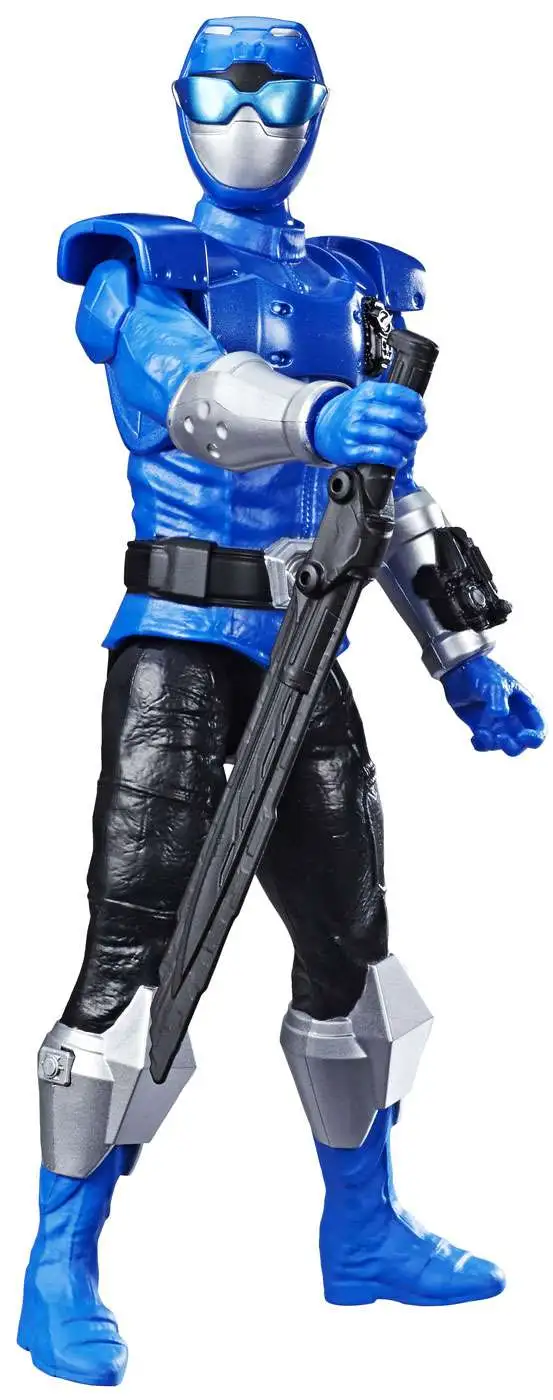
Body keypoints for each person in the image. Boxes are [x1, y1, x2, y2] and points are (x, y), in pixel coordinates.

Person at [18, 16, 545, 1388]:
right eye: (225, 91)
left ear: (317, 109)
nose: (251, 118)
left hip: (308, 646)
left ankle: (361, 1233)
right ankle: (58, 1265)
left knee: (354, 953)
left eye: (277, 94)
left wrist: (462, 655)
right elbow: (191, 397)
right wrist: (319, 417)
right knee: (133, 956)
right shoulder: (144, 269)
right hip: (179, 653)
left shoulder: (355, 287)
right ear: (184, 105)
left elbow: (392, 497)